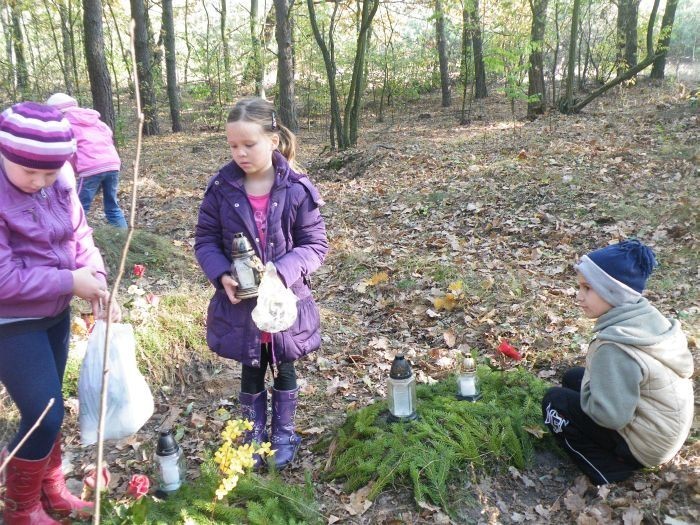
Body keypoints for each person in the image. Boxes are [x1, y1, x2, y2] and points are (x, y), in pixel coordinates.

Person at [0, 102, 121, 524]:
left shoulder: (61, 179)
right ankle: (20, 509)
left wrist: (98, 281)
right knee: (43, 414)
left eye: (49, 174)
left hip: (53, 312)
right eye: (29, 173)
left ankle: (51, 490)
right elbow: (2, 278)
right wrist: (71, 282)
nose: (39, 182)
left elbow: (79, 233)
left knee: (50, 409)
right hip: (10, 321)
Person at [195, 97, 328, 470]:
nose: (240, 153)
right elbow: (205, 240)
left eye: (248, 144)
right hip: (242, 308)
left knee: (283, 364)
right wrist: (221, 274)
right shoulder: (222, 189)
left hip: (286, 303)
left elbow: (315, 244)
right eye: (232, 145)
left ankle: (283, 433)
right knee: (251, 368)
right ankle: (253, 434)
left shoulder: (296, 189)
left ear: (272, 139)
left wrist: (280, 273)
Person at [542, 240, 693, 485]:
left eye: (587, 288)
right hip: (663, 433)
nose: (578, 296)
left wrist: (590, 389)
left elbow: (611, 418)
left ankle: (609, 472)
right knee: (573, 377)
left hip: (645, 447)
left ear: (613, 292)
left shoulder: (615, 346)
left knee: (554, 402)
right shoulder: (643, 319)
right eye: (579, 287)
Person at [46, 93, 127, 229]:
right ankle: (125, 239)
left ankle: (73, 235)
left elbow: (69, 153)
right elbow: (109, 136)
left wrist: (71, 171)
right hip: (112, 165)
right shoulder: (95, 120)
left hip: (91, 168)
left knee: (78, 207)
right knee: (112, 206)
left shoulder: (66, 125)